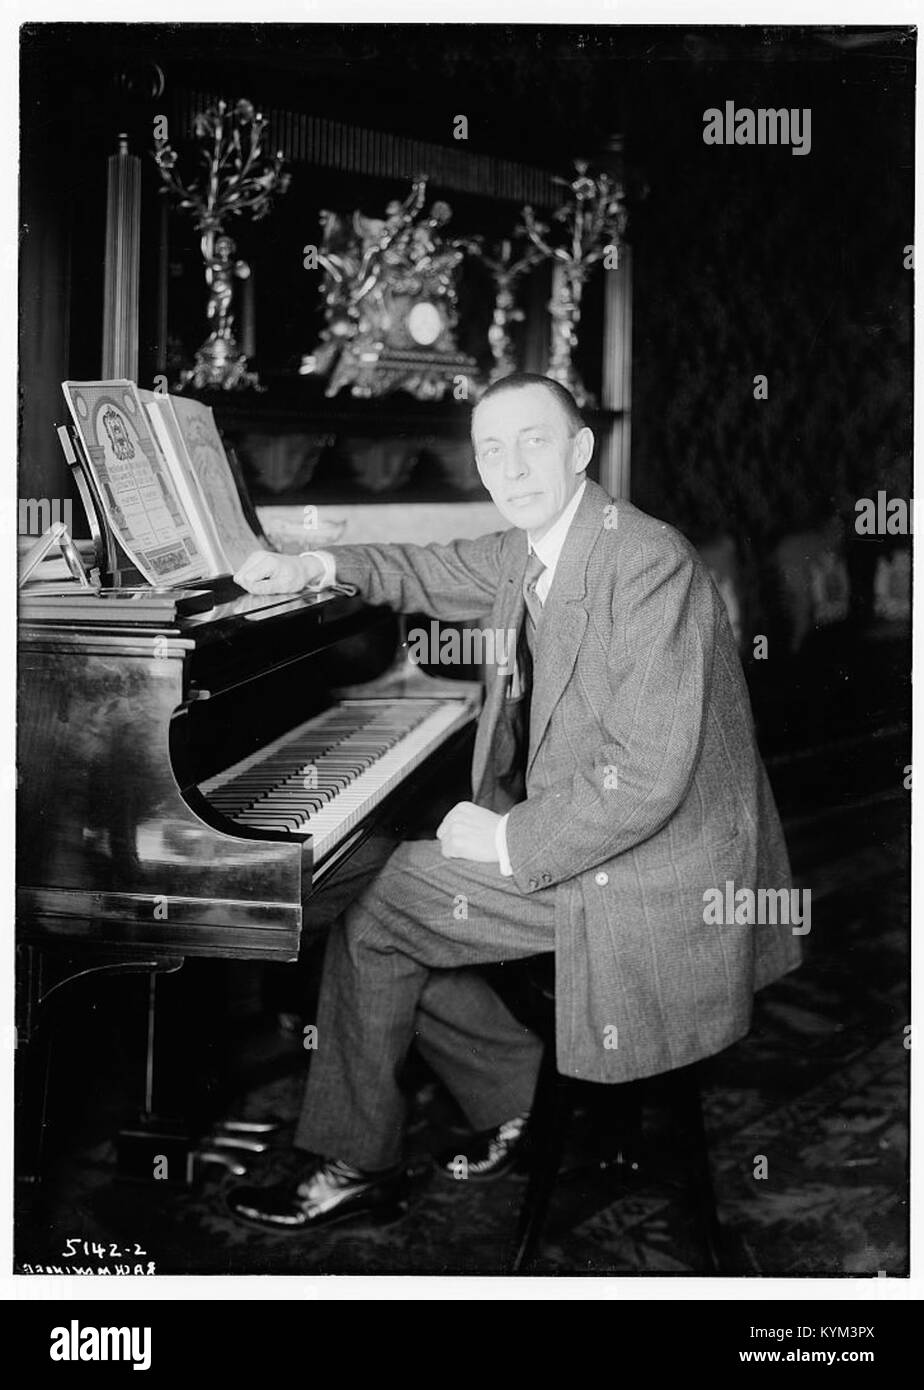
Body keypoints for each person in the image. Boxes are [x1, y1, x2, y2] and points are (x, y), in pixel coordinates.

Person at [227, 372, 801, 1232]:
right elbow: (420, 567)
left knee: (382, 908)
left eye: (532, 440)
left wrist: (505, 841)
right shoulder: (533, 545)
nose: (510, 464)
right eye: (491, 447)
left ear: (579, 449)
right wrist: (313, 562)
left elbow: (645, 778)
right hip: (615, 838)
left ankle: (362, 1160)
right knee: (382, 893)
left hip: (659, 875)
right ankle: (511, 1090)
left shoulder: (645, 563)